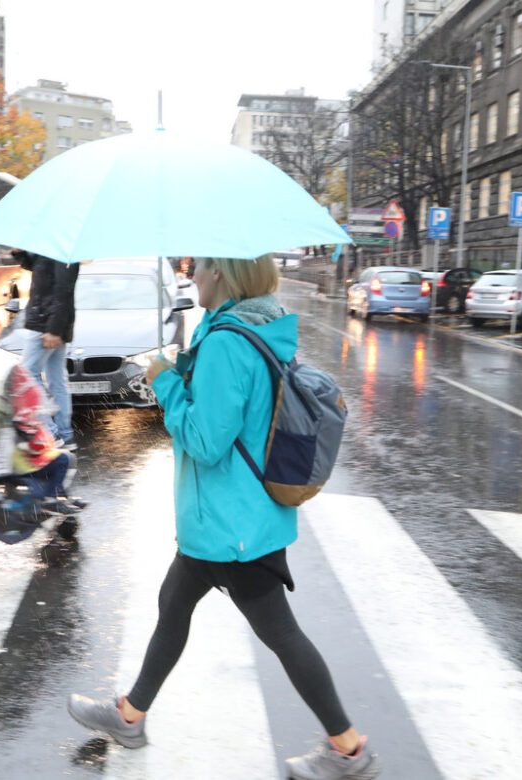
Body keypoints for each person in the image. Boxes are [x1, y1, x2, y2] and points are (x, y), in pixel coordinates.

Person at [67, 255, 381, 780]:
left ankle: (348, 749)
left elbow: (208, 441)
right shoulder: (239, 331)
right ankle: (130, 715)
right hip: (220, 520)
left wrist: (165, 381)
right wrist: (185, 366)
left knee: (280, 633)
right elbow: (229, 407)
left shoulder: (229, 343)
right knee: (173, 605)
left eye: (200, 268)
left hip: (232, 525)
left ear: (222, 275)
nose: (191, 277)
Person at [14, 249, 79, 448]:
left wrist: (54, 330)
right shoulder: (52, 247)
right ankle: (64, 434)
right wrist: (21, 254)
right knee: (56, 377)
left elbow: (64, 290)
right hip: (47, 321)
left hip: (46, 324)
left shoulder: (64, 252)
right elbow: (39, 267)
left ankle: (51, 432)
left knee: (25, 375)